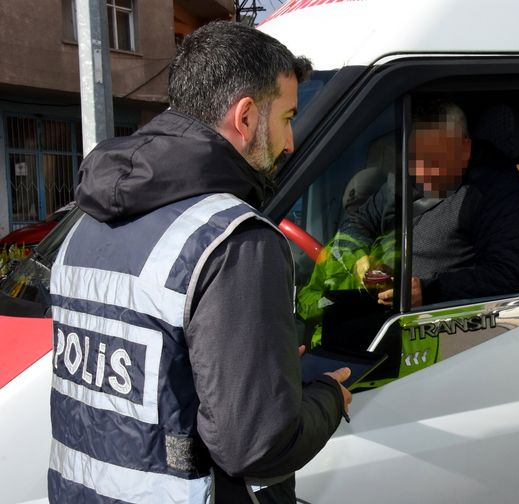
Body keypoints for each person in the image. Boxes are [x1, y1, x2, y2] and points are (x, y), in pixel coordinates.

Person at [48, 21, 351, 503]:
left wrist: (254, 367)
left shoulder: (83, 224)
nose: (290, 142)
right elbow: (254, 446)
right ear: (246, 116)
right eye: (288, 117)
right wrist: (328, 399)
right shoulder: (233, 239)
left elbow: (151, 386)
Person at [336, 100, 519, 307]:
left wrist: (429, 291)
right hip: (371, 305)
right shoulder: (402, 181)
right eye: (415, 159)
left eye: (434, 161)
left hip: (431, 323)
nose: (420, 173)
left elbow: (508, 274)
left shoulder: (494, 191)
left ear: (465, 149)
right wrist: (359, 258)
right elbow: (358, 223)